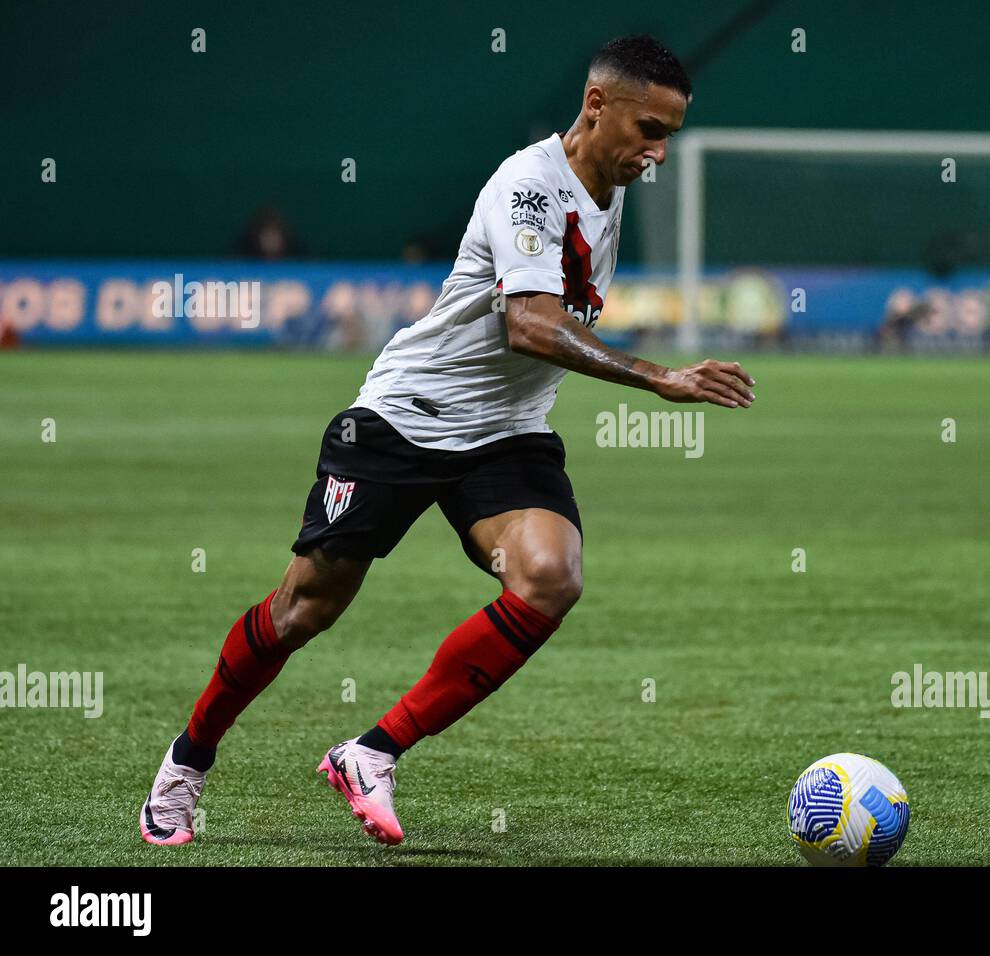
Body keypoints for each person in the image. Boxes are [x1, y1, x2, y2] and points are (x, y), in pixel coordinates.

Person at [140, 34, 756, 847]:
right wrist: (657, 378)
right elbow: (531, 324)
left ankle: (371, 753)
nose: (659, 152)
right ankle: (186, 764)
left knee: (549, 576)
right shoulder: (529, 187)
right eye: (650, 129)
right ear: (596, 105)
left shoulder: (609, 184)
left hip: (503, 436)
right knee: (304, 609)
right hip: (405, 419)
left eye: (670, 134)